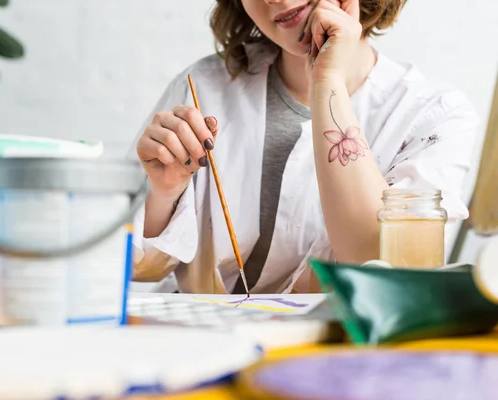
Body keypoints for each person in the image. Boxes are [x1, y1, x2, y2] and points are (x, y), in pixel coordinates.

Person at [131, 0, 479, 294]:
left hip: (340, 361)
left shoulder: (435, 118)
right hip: (204, 352)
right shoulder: (201, 89)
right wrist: (164, 192)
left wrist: (326, 81)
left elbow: (384, 278)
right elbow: (136, 268)